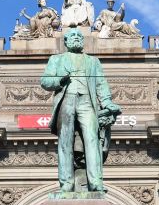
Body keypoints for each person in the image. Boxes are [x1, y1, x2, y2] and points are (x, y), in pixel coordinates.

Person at [39, 28, 121, 193]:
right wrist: (60, 80)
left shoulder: (93, 62)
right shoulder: (56, 59)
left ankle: (96, 181)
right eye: (72, 36)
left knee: (92, 139)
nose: (76, 38)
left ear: (82, 41)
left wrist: (107, 102)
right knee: (65, 142)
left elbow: (101, 84)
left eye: (79, 36)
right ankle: (66, 183)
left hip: (86, 102)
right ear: (66, 42)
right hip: (66, 100)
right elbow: (45, 81)